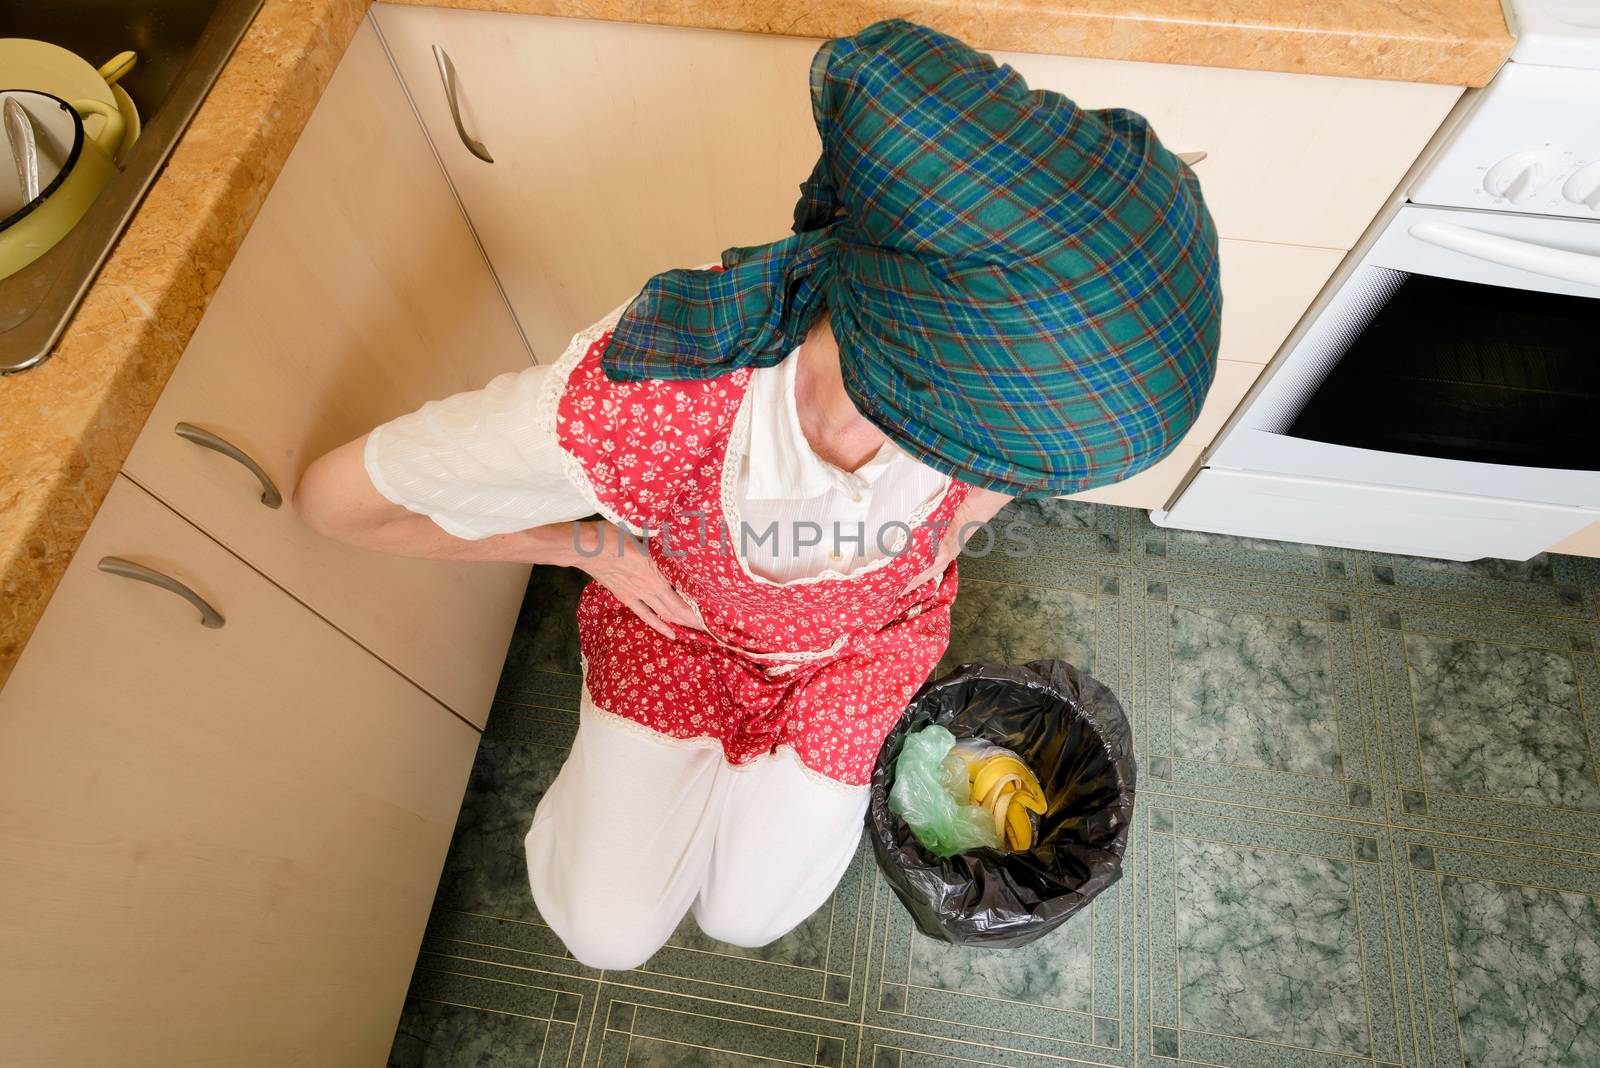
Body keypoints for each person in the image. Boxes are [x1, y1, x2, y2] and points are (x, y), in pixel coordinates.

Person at [293, 17, 1220, 970]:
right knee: (604, 932)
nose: (1006, 482)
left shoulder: (987, 404)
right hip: (680, 639)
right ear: (917, 367)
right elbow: (339, 503)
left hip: (858, 655)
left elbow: (983, 493)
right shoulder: (650, 402)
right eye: (1010, 458)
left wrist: (945, 537)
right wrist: (592, 547)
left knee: (747, 914)